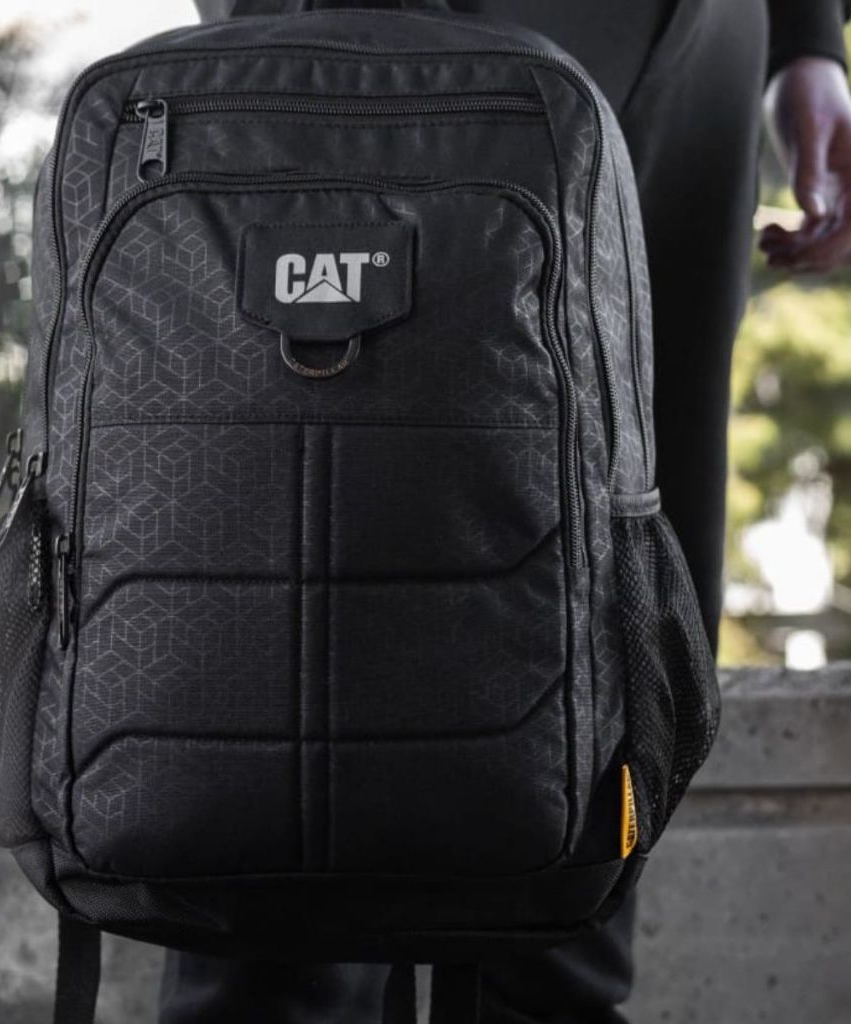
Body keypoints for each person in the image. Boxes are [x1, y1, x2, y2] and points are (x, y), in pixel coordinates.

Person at [157, 1, 851, 1021]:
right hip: (369, 28)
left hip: (694, 51)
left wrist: (803, 38)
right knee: (293, 779)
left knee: (604, 742)